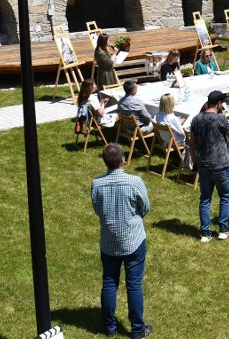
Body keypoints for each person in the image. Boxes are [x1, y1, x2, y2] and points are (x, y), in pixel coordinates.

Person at [91, 143, 152, 339]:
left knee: (109, 283)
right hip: (133, 240)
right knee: (133, 285)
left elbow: (98, 209)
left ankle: (109, 329)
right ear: (123, 159)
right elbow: (145, 207)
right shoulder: (134, 182)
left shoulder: (97, 184)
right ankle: (137, 330)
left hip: (109, 241)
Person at [190, 90, 229, 242]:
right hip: (221, 165)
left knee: (205, 199)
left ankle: (205, 233)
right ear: (219, 104)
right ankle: (223, 229)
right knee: (225, 196)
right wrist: (225, 119)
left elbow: (191, 143)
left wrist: (194, 161)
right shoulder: (220, 119)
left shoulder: (196, 119)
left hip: (203, 164)